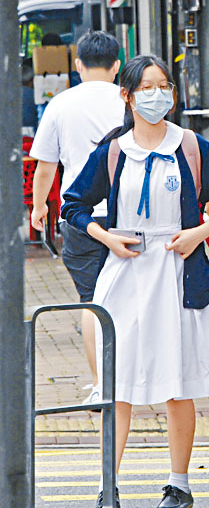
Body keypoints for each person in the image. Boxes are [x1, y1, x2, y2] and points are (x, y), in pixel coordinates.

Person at [61, 55, 209, 508]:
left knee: (177, 383)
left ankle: (179, 485)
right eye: (147, 87)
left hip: (177, 274)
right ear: (127, 96)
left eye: (164, 86)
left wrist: (199, 233)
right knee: (118, 384)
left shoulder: (190, 145)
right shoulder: (113, 151)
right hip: (124, 275)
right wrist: (106, 236)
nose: (157, 95)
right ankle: (108, 487)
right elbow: (73, 205)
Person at [29, 30, 125, 407]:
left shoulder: (61, 104)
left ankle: (103, 386)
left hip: (81, 216)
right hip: (127, 215)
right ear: (117, 65)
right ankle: (134, 381)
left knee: (92, 300)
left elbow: (45, 166)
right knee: (132, 297)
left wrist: (39, 207)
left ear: (79, 65)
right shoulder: (129, 100)